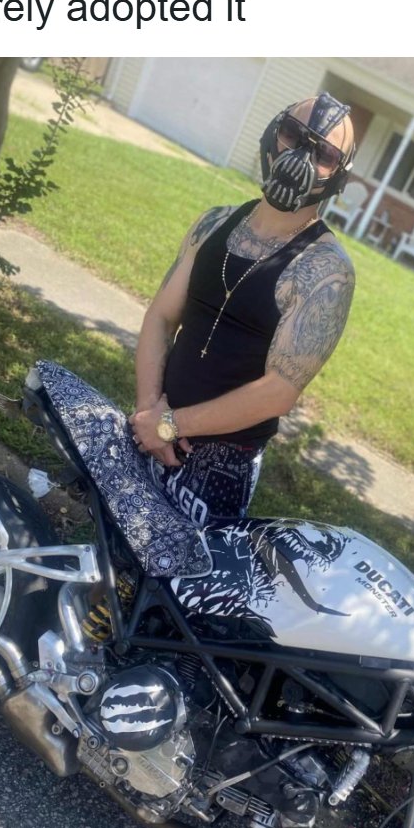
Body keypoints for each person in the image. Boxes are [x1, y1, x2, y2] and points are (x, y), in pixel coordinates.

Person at [129, 91, 356, 527]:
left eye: (325, 153)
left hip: (218, 465)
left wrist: (171, 426)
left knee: (174, 591)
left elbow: (280, 391)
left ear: (339, 176)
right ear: (273, 132)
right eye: (293, 134)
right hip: (154, 420)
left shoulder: (327, 271)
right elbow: (160, 317)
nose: (302, 156)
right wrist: (148, 412)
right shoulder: (214, 222)